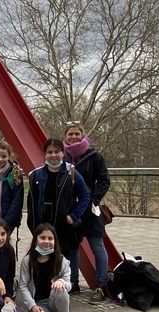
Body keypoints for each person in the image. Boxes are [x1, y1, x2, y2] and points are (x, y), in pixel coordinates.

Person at [27, 138, 90, 292]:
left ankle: (71, 281)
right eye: (50, 152)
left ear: (63, 153)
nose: (53, 155)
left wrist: (73, 216)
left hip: (65, 224)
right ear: (44, 154)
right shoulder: (36, 175)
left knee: (69, 252)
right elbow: (31, 201)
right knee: (45, 251)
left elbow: (85, 196)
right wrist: (32, 223)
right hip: (44, 223)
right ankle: (47, 281)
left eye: (57, 151)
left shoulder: (71, 173)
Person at [63, 122, 111, 299]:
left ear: (83, 135)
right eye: (70, 134)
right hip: (71, 209)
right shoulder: (63, 157)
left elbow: (104, 180)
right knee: (72, 248)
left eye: (77, 134)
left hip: (90, 209)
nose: (74, 137)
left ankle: (101, 285)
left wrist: (94, 200)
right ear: (65, 136)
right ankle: (73, 282)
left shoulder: (94, 156)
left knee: (97, 247)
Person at [19, 223, 76, 312]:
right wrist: (32, 306)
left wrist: (61, 281)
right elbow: (23, 285)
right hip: (39, 303)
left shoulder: (61, 260)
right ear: (36, 240)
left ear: (55, 241)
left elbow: (68, 284)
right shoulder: (27, 261)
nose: (46, 241)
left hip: (54, 299)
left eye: (50, 238)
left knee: (61, 289)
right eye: (42, 237)